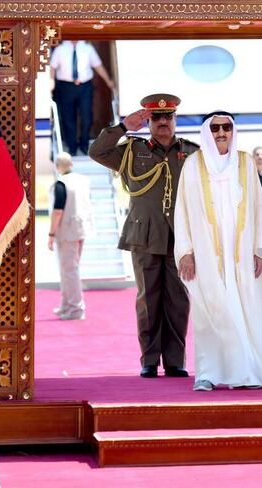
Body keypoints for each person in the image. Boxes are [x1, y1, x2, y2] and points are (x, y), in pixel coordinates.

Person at [175, 111, 262, 391]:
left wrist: (260, 249)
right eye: (215, 128)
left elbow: (259, 207)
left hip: (241, 255)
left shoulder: (244, 162)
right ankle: (208, 373)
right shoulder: (192, 164)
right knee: (210, 311)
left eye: (226, 127)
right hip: (206, 253)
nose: (221, 133)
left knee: (249, 310)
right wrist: (185, 252)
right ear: (207, 132)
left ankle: (249, 372)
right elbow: (182, 211)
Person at [88, 94, 198, 378]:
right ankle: (149, 360)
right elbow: (97, 152)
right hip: (144, 234)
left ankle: (175, 361)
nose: (163, 122)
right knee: (148, 300)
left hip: (181, 238)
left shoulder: (191, 152)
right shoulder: (132, 151)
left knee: (178, 300)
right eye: (156, 118)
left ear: (175, 119)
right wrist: (124, 127)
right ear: (148, 121)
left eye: (168, 117)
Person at [48, 152, 93, 320]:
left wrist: (51, 233)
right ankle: (66, 305)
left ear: (58, 167)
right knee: (69, 269)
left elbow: (58, 211)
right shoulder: (83, 181)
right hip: (82, 228)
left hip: (67, 231)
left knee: (69, 270)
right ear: (71, 164)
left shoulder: (60, 184)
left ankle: (75, 309)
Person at [50, 40, 115, 156]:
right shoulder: (60, 49)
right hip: (65, 87)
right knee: (68, 118)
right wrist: (51, 82)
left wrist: (108, 81)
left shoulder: (87, 48)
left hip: (85, 87)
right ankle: (72, 147)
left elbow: (98, 65)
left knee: (87, 117)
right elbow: (52, 67)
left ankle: (84, 145)